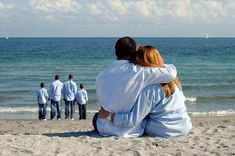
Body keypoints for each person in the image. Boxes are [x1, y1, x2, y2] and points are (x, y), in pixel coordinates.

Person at [99, 46, 192, 137]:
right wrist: (161, 66)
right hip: (184, 126)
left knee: (141, 121)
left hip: (164, 129)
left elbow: (132, 120)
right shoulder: (175, 82)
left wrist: (110, 115)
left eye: (137, 62)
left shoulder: (150, 89)